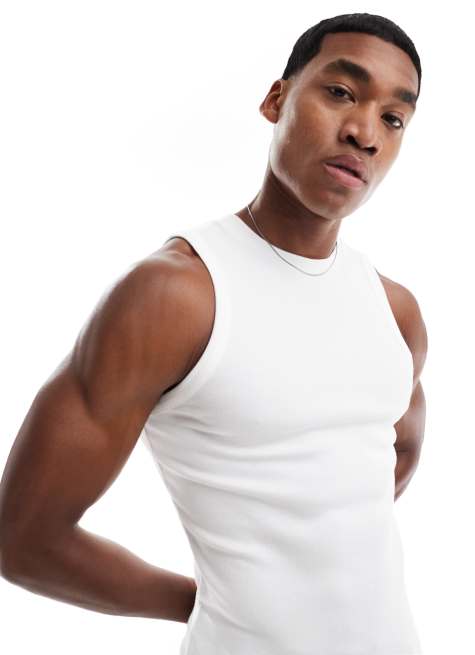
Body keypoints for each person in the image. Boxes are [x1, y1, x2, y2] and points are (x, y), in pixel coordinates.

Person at [0, 12, 428, 655]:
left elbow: (392, 459)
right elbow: (24, 539)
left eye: (393, 118)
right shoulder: (176, 296)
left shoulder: (395, 310)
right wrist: (209, 602)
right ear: (277, 99)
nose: (364, 133)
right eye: (341, 92)